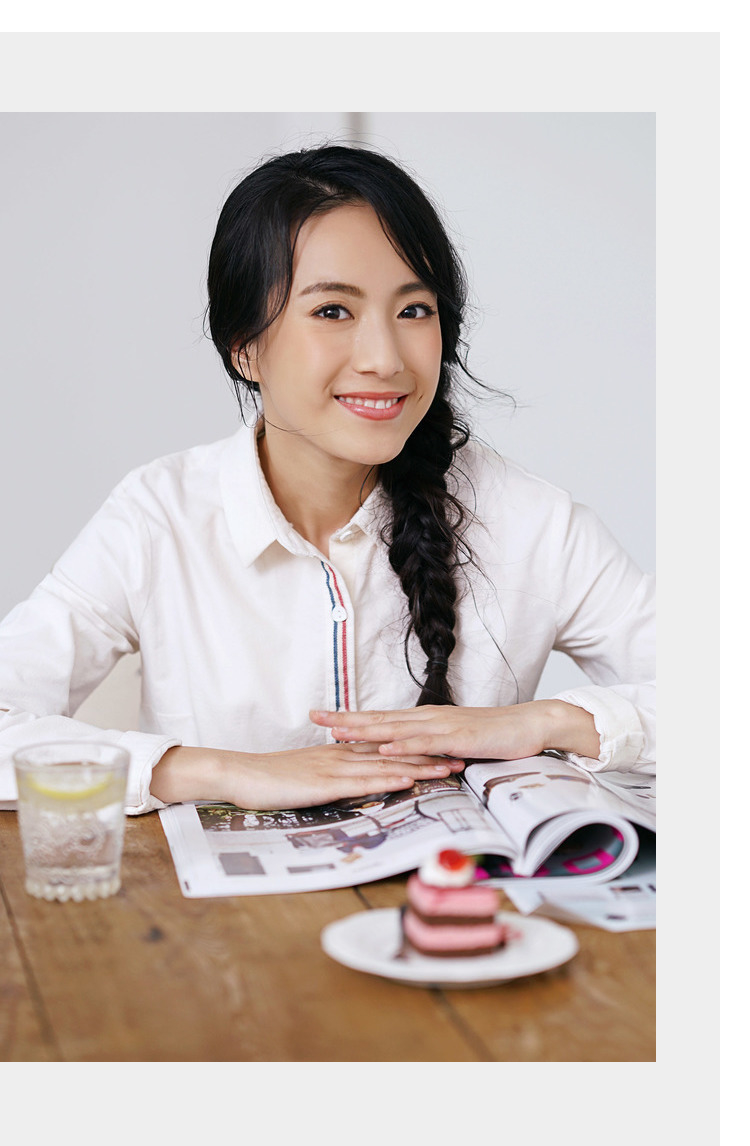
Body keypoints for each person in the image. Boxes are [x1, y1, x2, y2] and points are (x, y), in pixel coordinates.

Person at [0, 144, 655, 816]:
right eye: (333, 311)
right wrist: (225, 772)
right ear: (244, 347)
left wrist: (545, 722)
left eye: (414, 309)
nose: (384, 359)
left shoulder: (528, 519)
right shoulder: (158, 517)